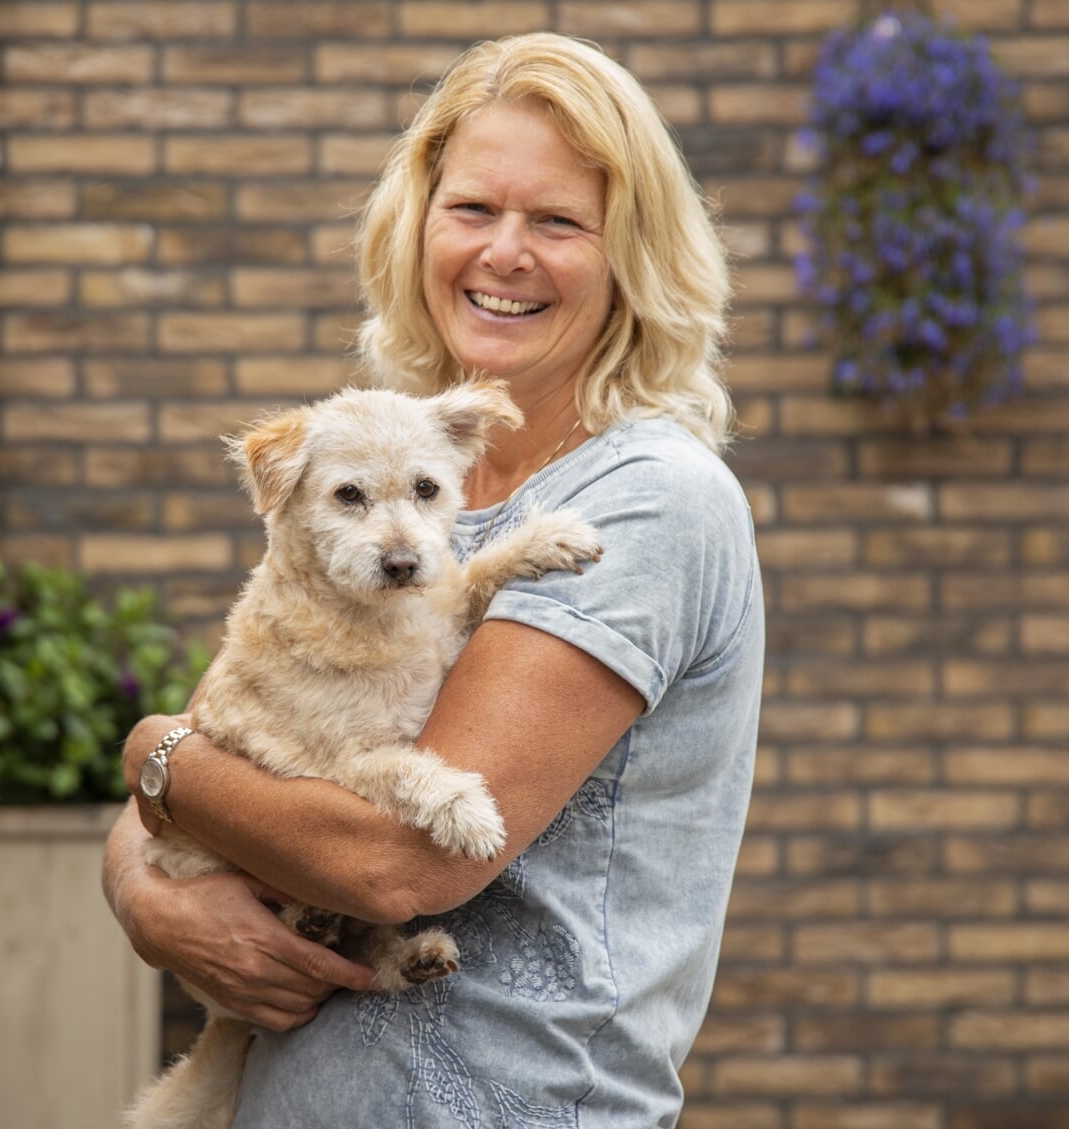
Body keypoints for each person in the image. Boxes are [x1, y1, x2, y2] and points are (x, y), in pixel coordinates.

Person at [102, 31, 762, 1128]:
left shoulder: (645, 499)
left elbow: (394, 864)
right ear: (417, 229)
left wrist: (148, 754)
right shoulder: (400, 468)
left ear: (629, 258)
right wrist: (145, 885)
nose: (503, 252)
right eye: (470, 210)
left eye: (555, 221)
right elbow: (255, 734)